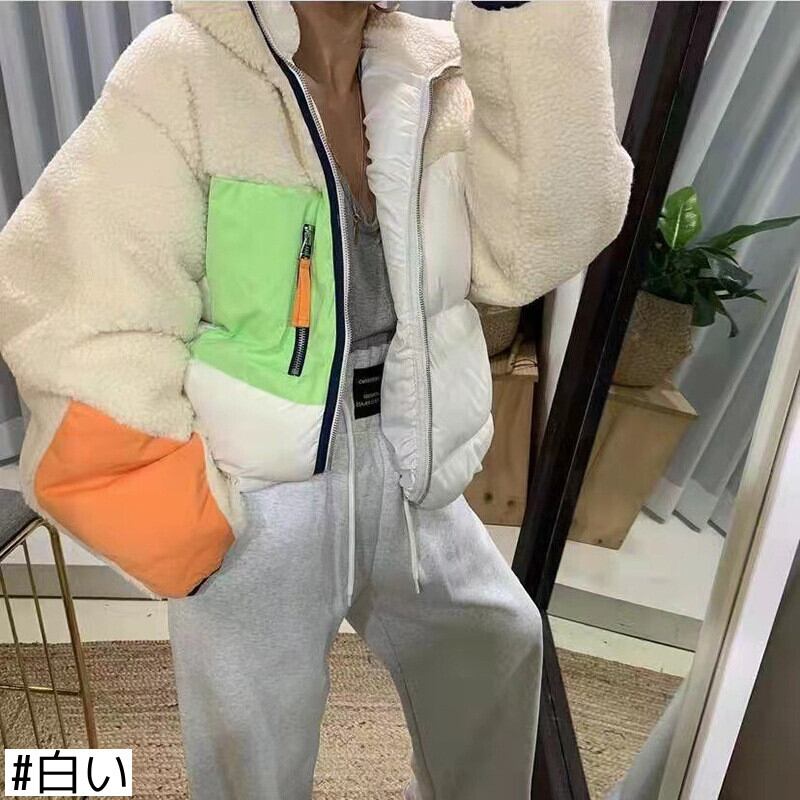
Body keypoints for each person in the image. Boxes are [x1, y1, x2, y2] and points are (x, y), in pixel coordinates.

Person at [0, 1, 631, 797]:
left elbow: (539, 245)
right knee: (252, 757)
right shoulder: (185, 69)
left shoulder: (433, 69)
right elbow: (71, 298)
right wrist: (178, 523)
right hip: (263, 493)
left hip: (407, 459)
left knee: (499, 644)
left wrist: (523, 16)